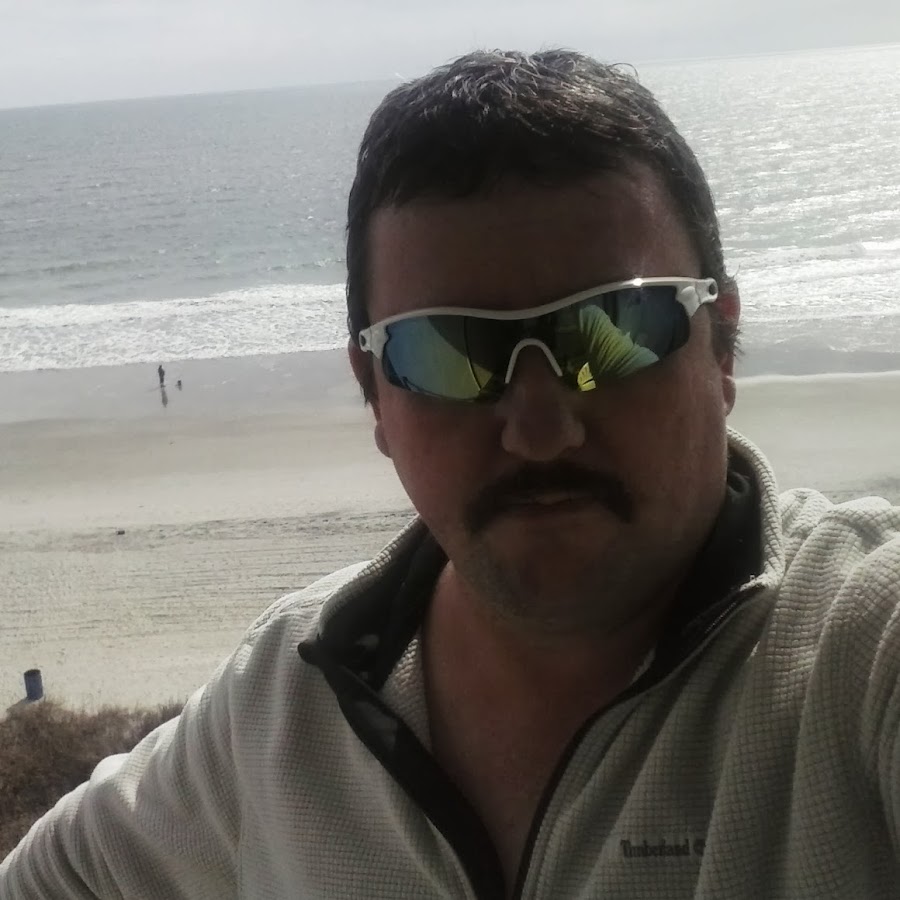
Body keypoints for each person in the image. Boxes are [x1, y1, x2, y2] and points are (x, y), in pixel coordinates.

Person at [2, 49, 899, 899]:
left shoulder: (857, 652)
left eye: (615, 330)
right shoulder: (286, 699)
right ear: (374, 393)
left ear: (722, 344)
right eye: (447, 354)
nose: (540, 431)